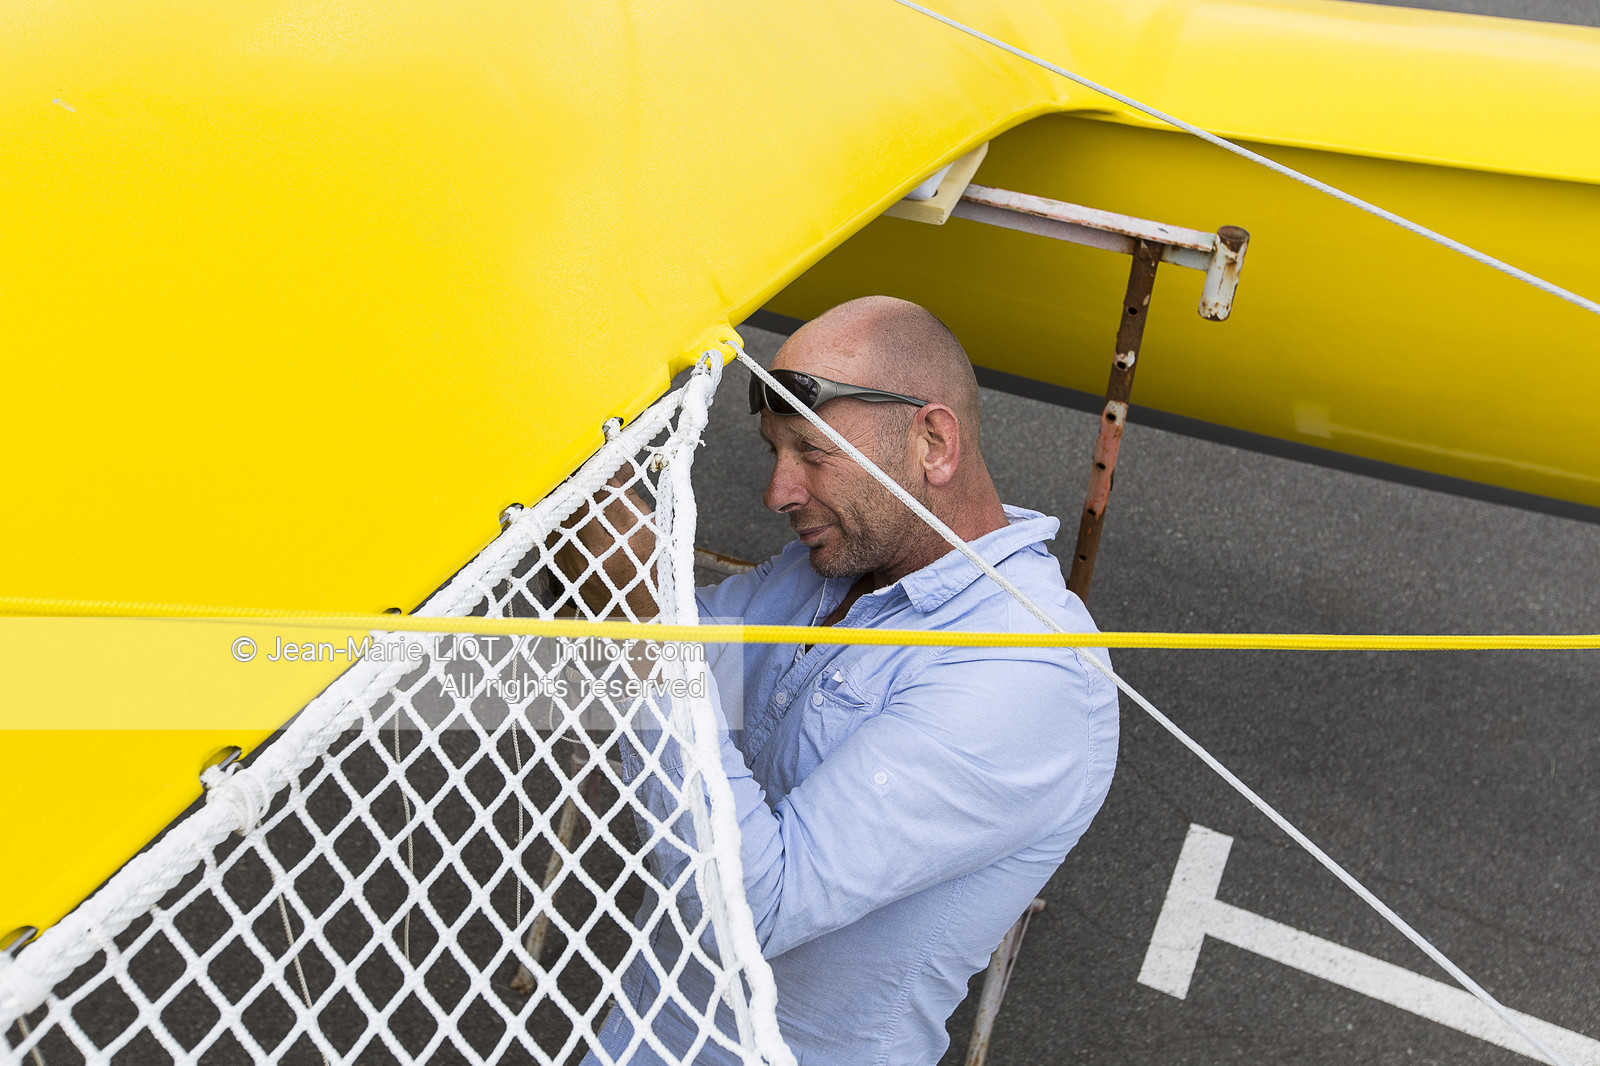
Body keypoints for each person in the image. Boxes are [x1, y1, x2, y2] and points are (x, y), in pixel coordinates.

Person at [579, 296, 1118, 1065]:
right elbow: (651, 650)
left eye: (811, 451)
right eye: (774, 452)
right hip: (642, 1035)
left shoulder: (1032, 675)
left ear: (932, 442)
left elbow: (754, 909)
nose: (779, 491)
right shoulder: (829, 574)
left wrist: (641, 616)